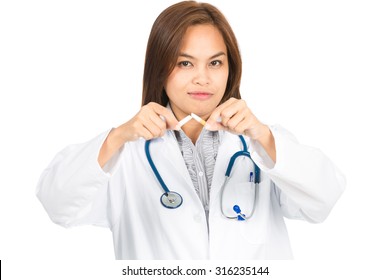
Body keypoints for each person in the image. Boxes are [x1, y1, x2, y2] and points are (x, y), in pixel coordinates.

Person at [36, 1, 345, 260]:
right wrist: (118, 136)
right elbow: (56, 203)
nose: (203, 78)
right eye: (185, 63)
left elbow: (325, 198)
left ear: (230, 68)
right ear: (160, 67)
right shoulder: (126, 153)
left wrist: (264, 137)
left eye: (215, 63)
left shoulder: (259, 143)